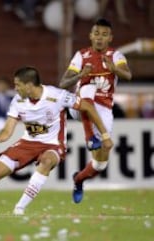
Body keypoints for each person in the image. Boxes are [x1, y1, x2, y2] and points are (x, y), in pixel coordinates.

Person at [0, 66, 113, 215]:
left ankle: (19, 208)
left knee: (47, 161)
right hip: (27, 143)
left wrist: (104, 135)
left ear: (28, 86)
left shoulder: (57, 95)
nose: (15, 89)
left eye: (17, 85)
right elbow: (8, 130)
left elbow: (88, 107)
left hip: (53, 144)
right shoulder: (18, 100)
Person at [60, 18, 132, 203]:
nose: (100, 38)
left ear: (110, 38)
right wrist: (81, 75)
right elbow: (63, 83)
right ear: (91, 36)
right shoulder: (81, 55)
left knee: (100, 164)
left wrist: (114, 68)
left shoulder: (116, 55)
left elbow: (128, 75)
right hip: (80, 106)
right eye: (97, 34)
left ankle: (78, 179)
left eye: (104, 34)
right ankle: (89, 137)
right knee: (88, 88)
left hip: (103, 109)